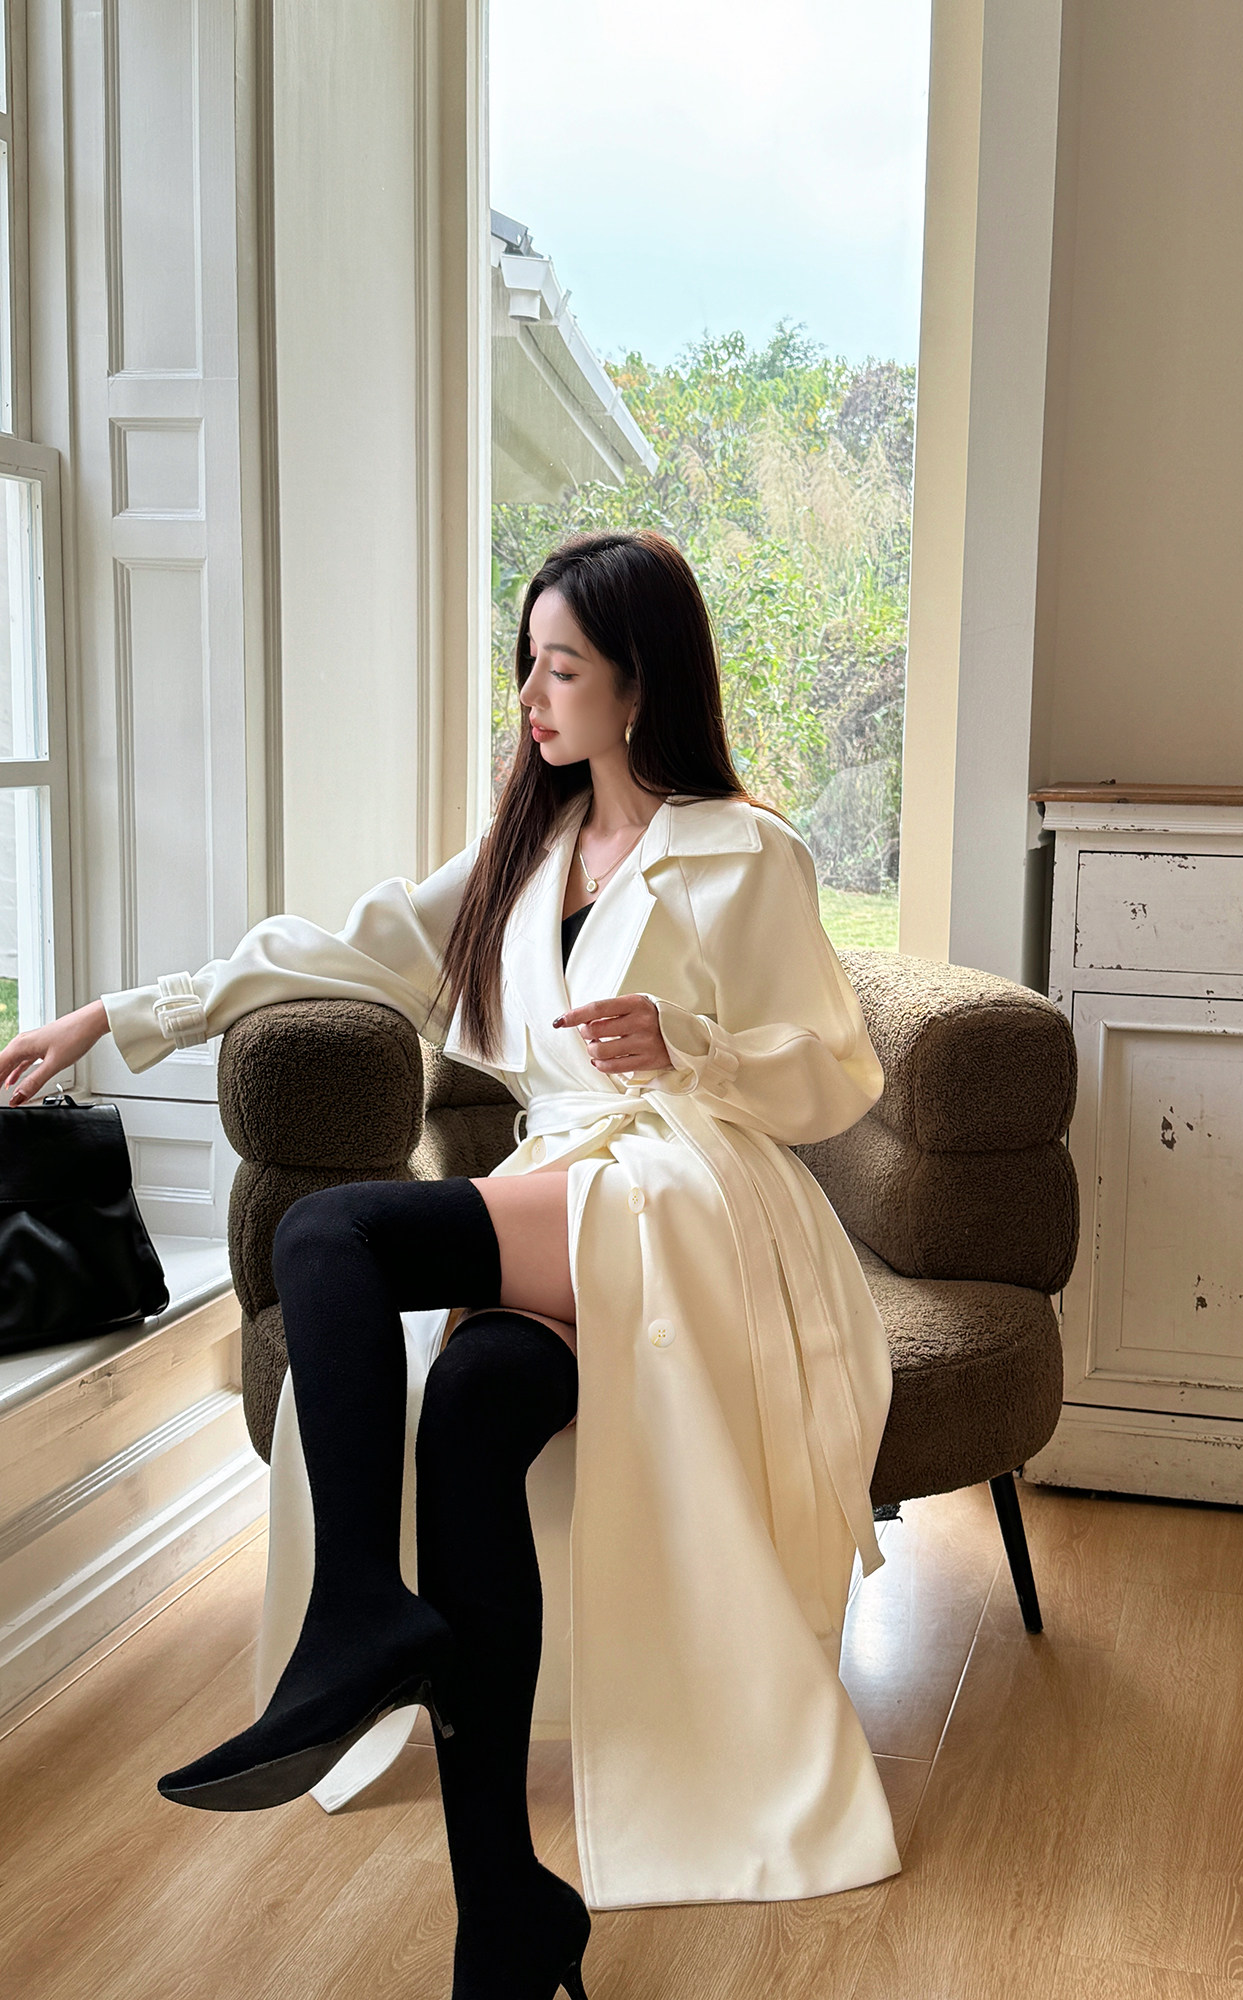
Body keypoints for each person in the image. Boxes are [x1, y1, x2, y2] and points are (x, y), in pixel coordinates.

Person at [0, 529, 899, 2000]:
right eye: (526, 666)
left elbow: (835, 1076)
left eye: (562, 670)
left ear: (641, 683)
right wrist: (117, 1014)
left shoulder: (749, 853)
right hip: (565, 1193)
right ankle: (507, 1911)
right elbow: (333, 949)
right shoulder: (524, 856)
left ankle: (361, 1604)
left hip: (687, 1195)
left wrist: (693, 1044)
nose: (530, 699)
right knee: (471, 1417)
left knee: (332, 1233)